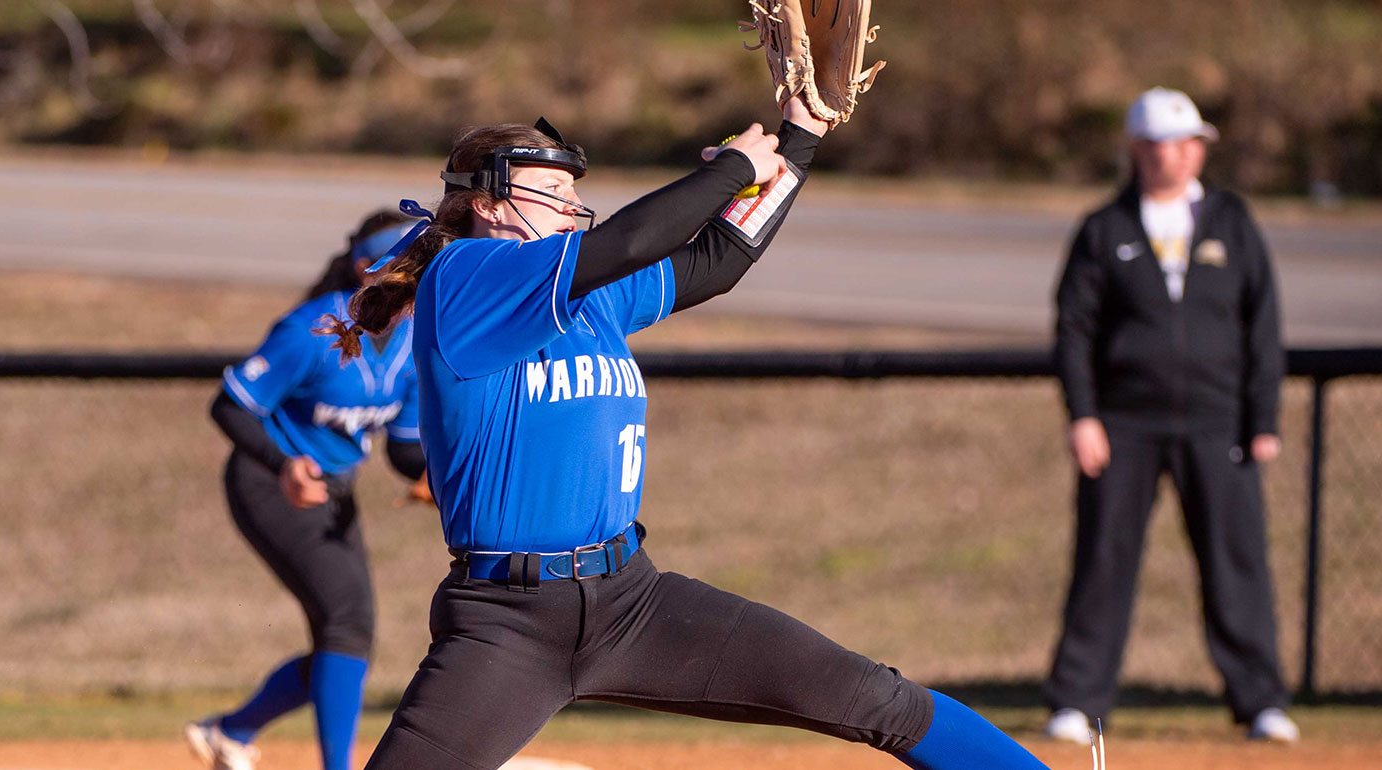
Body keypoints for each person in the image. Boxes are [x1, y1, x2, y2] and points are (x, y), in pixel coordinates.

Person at [322, 96, 1058, 770]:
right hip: (506, 627)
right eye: (551, 190)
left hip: (632, 603)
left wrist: (800, 138)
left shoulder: (590, 300)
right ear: (485, 203)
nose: (572, 207)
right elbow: (630, 240)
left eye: (575, 194)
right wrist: (733, 168)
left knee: (878, 698)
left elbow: (717, 259)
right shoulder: (466, 274)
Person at [1045, 87, 1295, 744]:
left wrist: (1263, 418)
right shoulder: (1104, 229)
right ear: (1138, 150)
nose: (1181, 156)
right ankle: (1077, 703)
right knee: (1104, 562)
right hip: (1123, 425)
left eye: (1191, 144)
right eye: (1166, 145)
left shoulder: (1232, 221)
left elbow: (1263, 324)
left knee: (1236, 563)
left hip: (1218, 423)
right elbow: (1073, 329)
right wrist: (1084, 416)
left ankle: (1261, 703)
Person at [184, 211, 430, 770]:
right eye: (410, 263)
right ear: (367, 268)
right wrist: (283, 463)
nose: (421, 274)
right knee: (347, 623)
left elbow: (402, 448)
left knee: (345, 636)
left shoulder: (414, 340)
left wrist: (432, 476)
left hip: (333, 490)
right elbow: (229, 407)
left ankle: (230, 732)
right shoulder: (313, 330)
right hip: (269, 481)